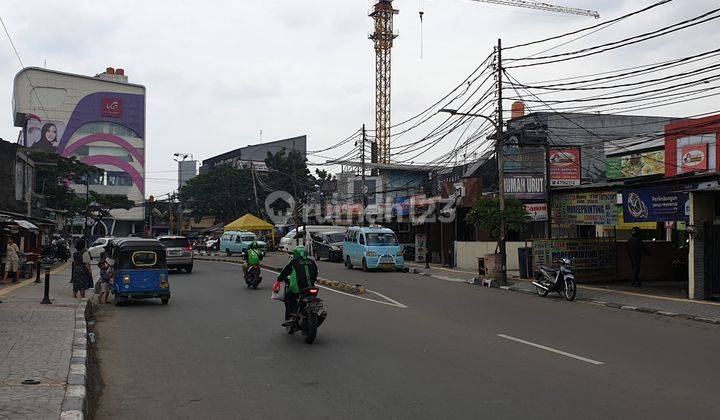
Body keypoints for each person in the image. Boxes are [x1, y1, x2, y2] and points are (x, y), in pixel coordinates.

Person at [276, 246, 318, 326]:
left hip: (298, 289)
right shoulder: (312, 262)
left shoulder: (294, 262)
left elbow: (285, 272)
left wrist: (279, 280)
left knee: (288, 298)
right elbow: (315, 273)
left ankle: (290, 318)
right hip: (310, 288)